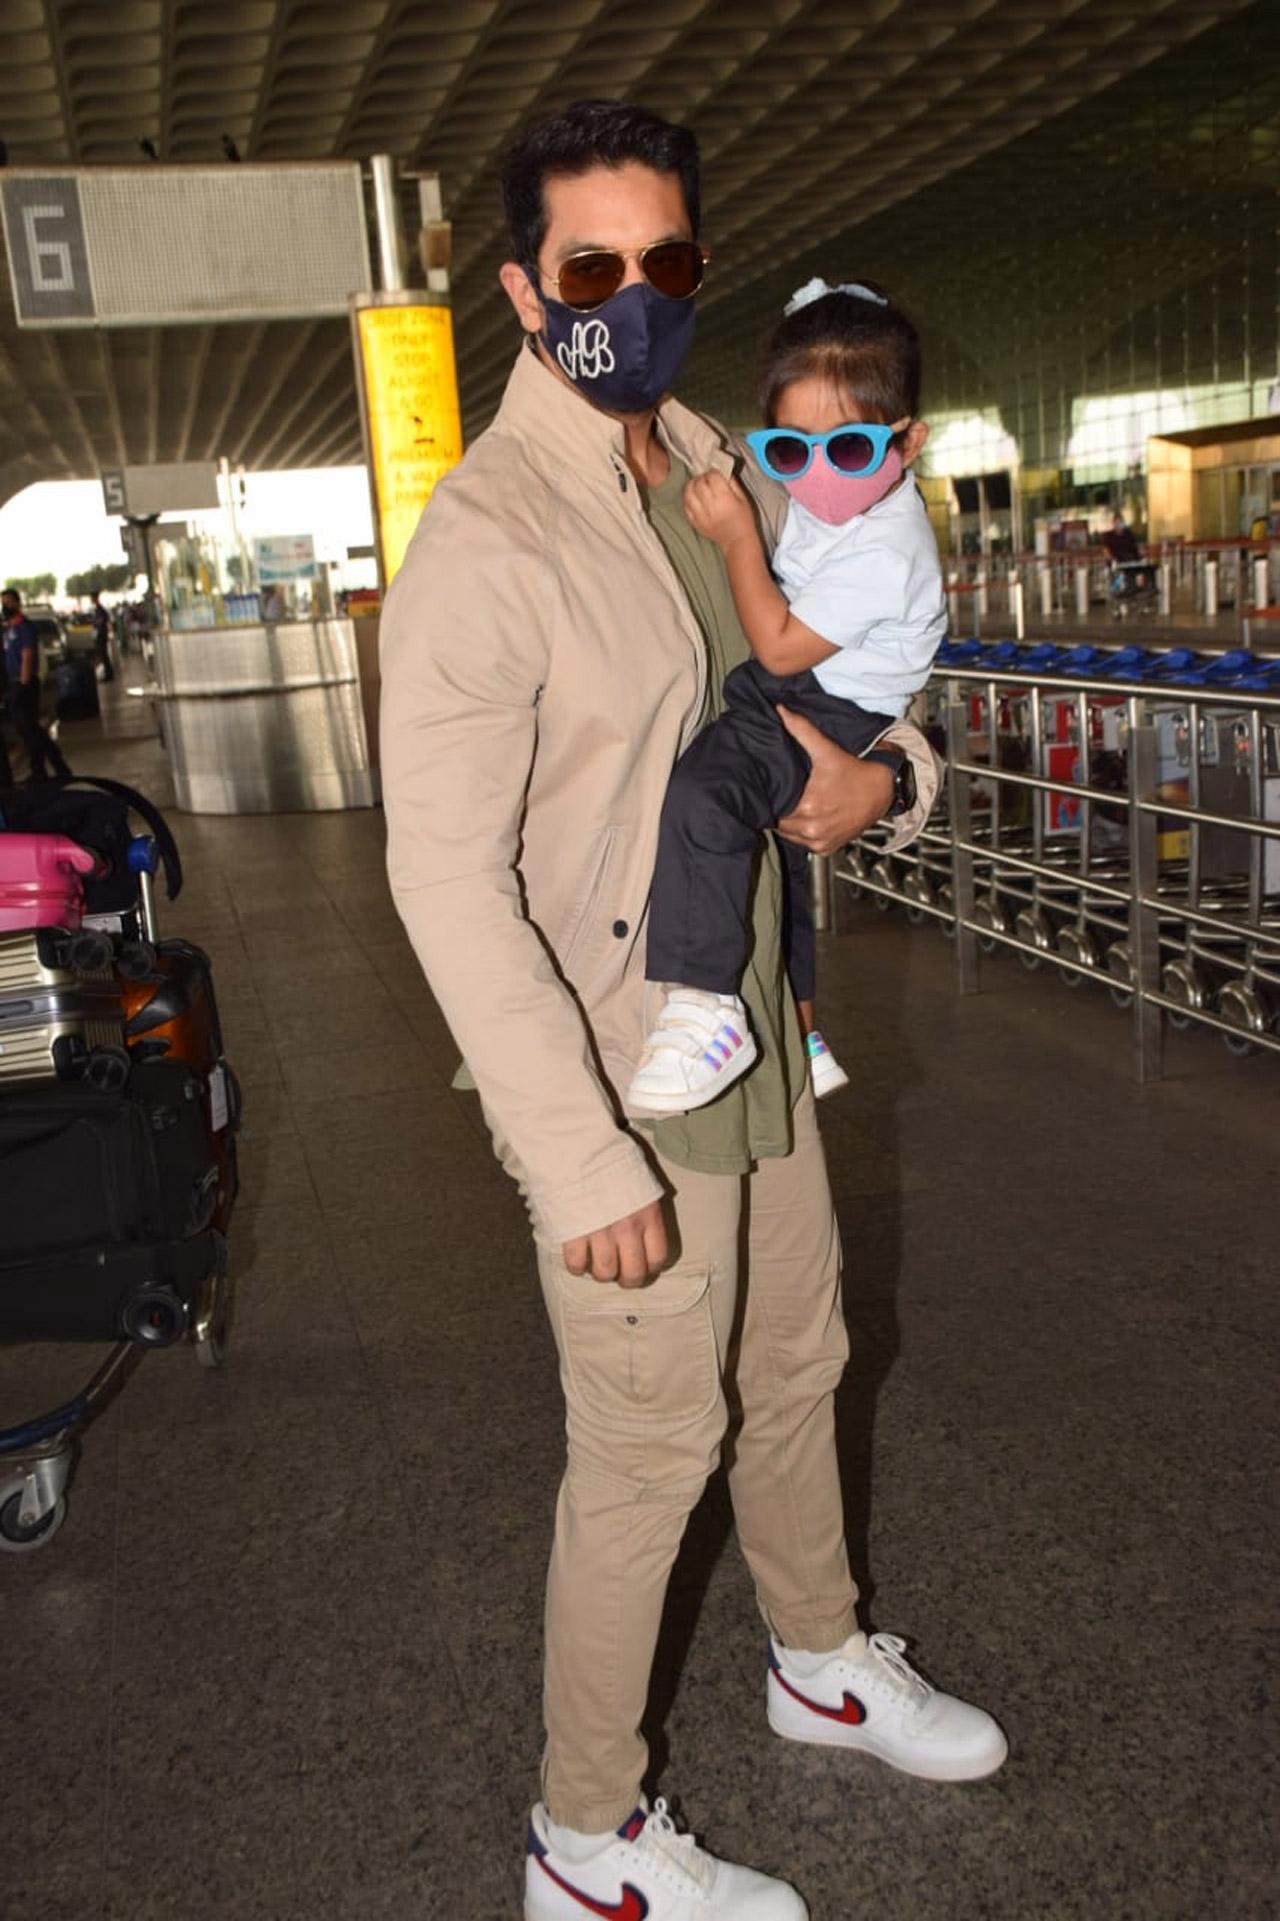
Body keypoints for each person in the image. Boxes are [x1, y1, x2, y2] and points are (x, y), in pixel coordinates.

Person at [380, 100, 1005, 1921]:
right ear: (521, 287)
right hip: (621, 1067)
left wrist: (903, 777)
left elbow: (865, 672)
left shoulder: (719, 457)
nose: (633, 299)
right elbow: (442, 879)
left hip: (757, 1024)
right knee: (651, 1446)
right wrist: (576, 1160)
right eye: (594, 268)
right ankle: (584, 1839)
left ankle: (819, 1656)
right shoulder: (485, 545)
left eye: (668, 264)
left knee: (800, 1358)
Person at [627, 277, 947, 1117]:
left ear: (906, 442)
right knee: (780, 868)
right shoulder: (836, 500)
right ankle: (800, 1025)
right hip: (821, 691)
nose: (814, 475)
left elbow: (775, 642)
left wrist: (737, 534)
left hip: (821, 700)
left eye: (848, 450)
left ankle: (705, 1006)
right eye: (789, 450)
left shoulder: (883, 547)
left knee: (704, 795)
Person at [1, 589, 71, 781]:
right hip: (14, 683)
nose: (5, 607)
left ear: (17, 603)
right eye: (3, 602)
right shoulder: (8, 629)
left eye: (8, 602)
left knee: (30, 729)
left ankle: (46, 767)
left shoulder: (24, 627)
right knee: (29, 729)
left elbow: (27, 655)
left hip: (24, 684)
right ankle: (48, 765)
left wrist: (22, 684)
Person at [89, 590, 115, 682]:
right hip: (101, 635)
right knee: (103, 656)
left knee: (104, 656)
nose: (91, 600)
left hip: (101, 635)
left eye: (92, 598)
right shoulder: (98, 609)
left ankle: (109, 674)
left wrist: (96, 625)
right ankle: (108, 674)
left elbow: (100, 622)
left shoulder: (100, 609)